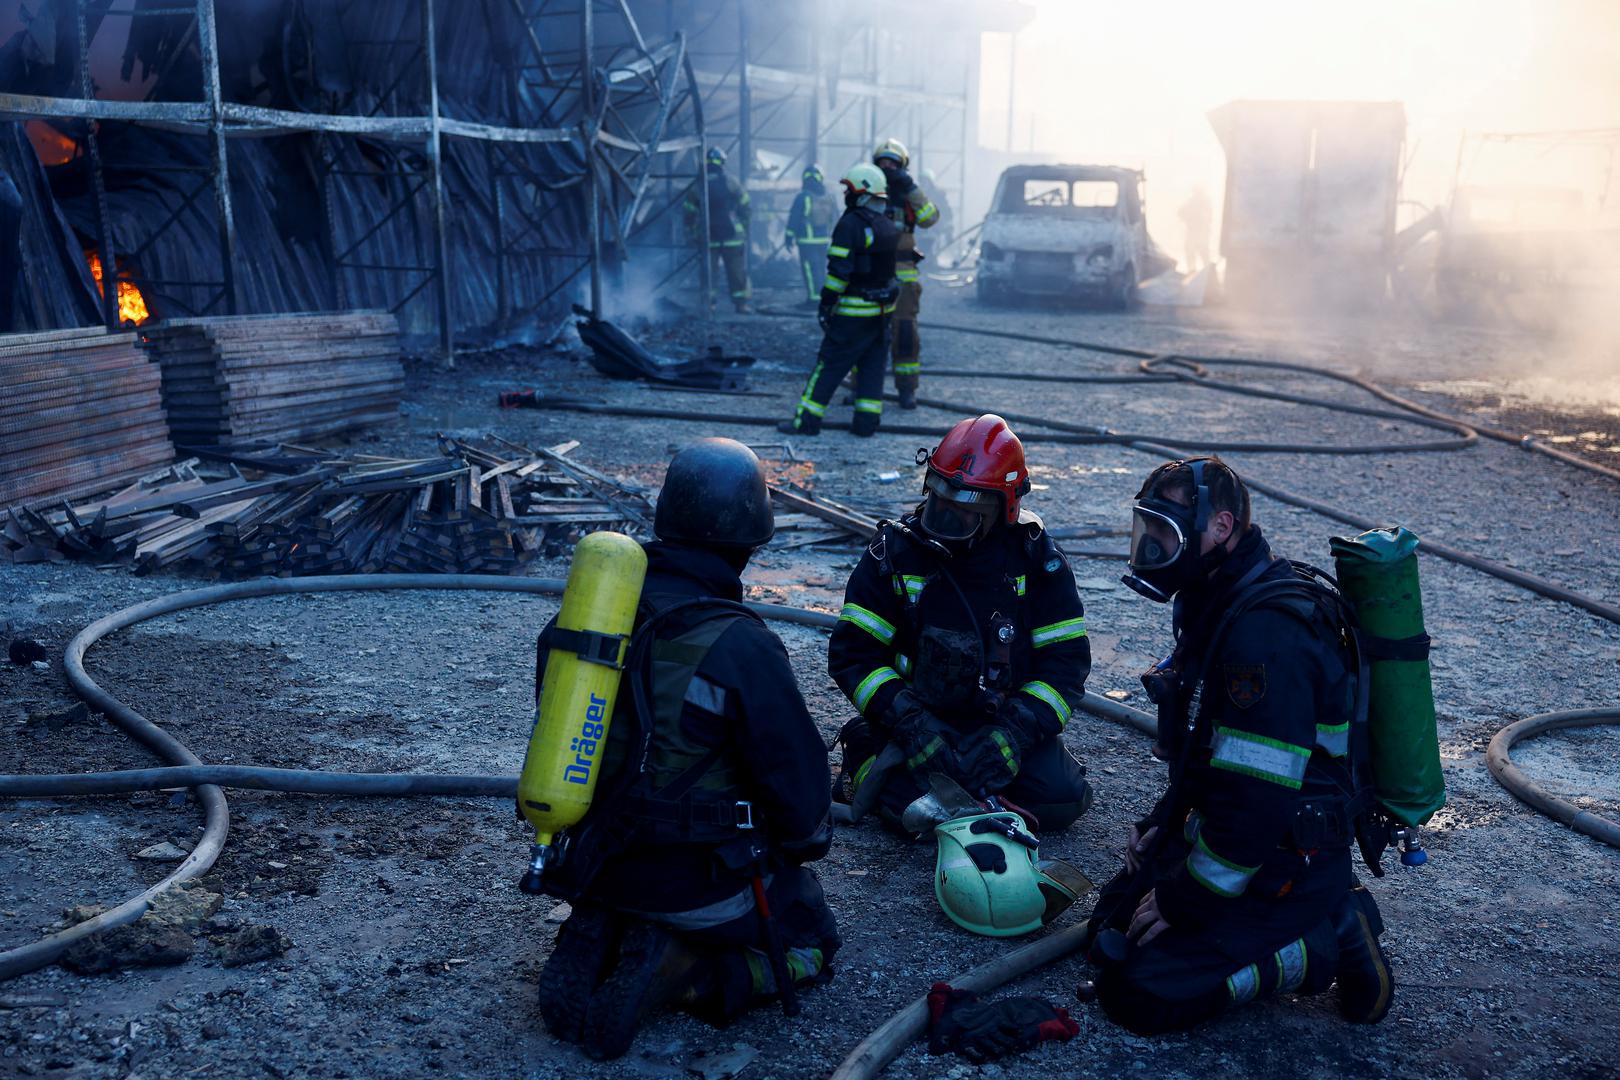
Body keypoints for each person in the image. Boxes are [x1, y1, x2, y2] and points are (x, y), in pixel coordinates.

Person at [533, 439, 839, 1060]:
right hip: (697, 886)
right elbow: (801, 802)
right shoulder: (741, 645)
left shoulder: (589, 621)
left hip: (587, 862)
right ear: (751, 538)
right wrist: (800, 847)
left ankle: (609, 928)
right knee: (812, 938)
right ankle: (691, 974)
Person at [1084, 457, 1394, 1034]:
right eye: (1147, 527)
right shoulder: (1215, 598)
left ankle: (1330, 934)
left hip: (1287, 852)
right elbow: (1209, 746)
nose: (1152, 544)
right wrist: (1165, 823)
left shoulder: (1264, 636)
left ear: (1220, 527)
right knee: (1108, 930)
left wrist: (1183, 901)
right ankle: (1300, 918)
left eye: (1166, 531)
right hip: (1250, 830)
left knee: (1139, 993)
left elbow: (1257, 798)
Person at [828, 414, 1094, 832]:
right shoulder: (895, 553)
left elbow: (1065, 666)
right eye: (938, 501)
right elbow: (853, 655)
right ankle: (864, 750)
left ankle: (975, 773)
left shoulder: (1036, 561)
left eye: (962, 510)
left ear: (1004, 506)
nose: (943, 519)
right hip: (915, 720)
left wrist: (1015, 734)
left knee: (1062, 799)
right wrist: (908, 721)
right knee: (912, 812)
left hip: (1000, 723)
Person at [777, 163, 899, 437]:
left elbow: (838, 274)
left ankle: (806, 422)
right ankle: (866, 424)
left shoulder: (850, 224)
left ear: (863, 194)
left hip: (852, 314)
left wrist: (826, 303)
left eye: (850, 190)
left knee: (829, 365)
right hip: (882, 313)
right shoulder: (888, 224)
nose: (846, 195)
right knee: (872, 367)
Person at [872, 138, 938, 410]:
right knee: (867, 333)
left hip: (903, 275)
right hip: (872, 272)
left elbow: (930, 218)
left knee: (905, 334)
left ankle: (906, 390)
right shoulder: (868, 191)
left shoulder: (909, 196)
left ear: (901, 167)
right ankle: (860, 388)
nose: (887, 168)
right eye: (883, 163)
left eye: (893, 164)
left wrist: (910, 188)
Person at [683, 146, 752, 312]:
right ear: (722, 162)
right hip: (732, 235)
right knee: (736, 271)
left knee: (709, 272)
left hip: (708, 235)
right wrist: (744, 226)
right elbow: (745, 206)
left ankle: (709, 304)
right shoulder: (731, 181)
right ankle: (741, 304)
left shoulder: (698, 185)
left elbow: (689, 212)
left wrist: (691, 232)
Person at [784, 163, 835, 302]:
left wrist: (788, 237)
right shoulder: (829, 197)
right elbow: (835, 218)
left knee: (809, 269)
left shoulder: (803, 197)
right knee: (821, 268)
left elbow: (794, 218)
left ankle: (813, 299)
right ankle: (822, 296)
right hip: (824, 240)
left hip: (807, 240)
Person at [1178, 187, 1213, 274]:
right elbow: (1180, 212)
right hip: (1195, 232)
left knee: (1201, 252)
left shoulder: (1203, 202)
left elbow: (1209, 217)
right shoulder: (1193, 202)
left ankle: (1206, 272)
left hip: (1199, 232)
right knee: (1192, 251)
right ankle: (1194, 271)